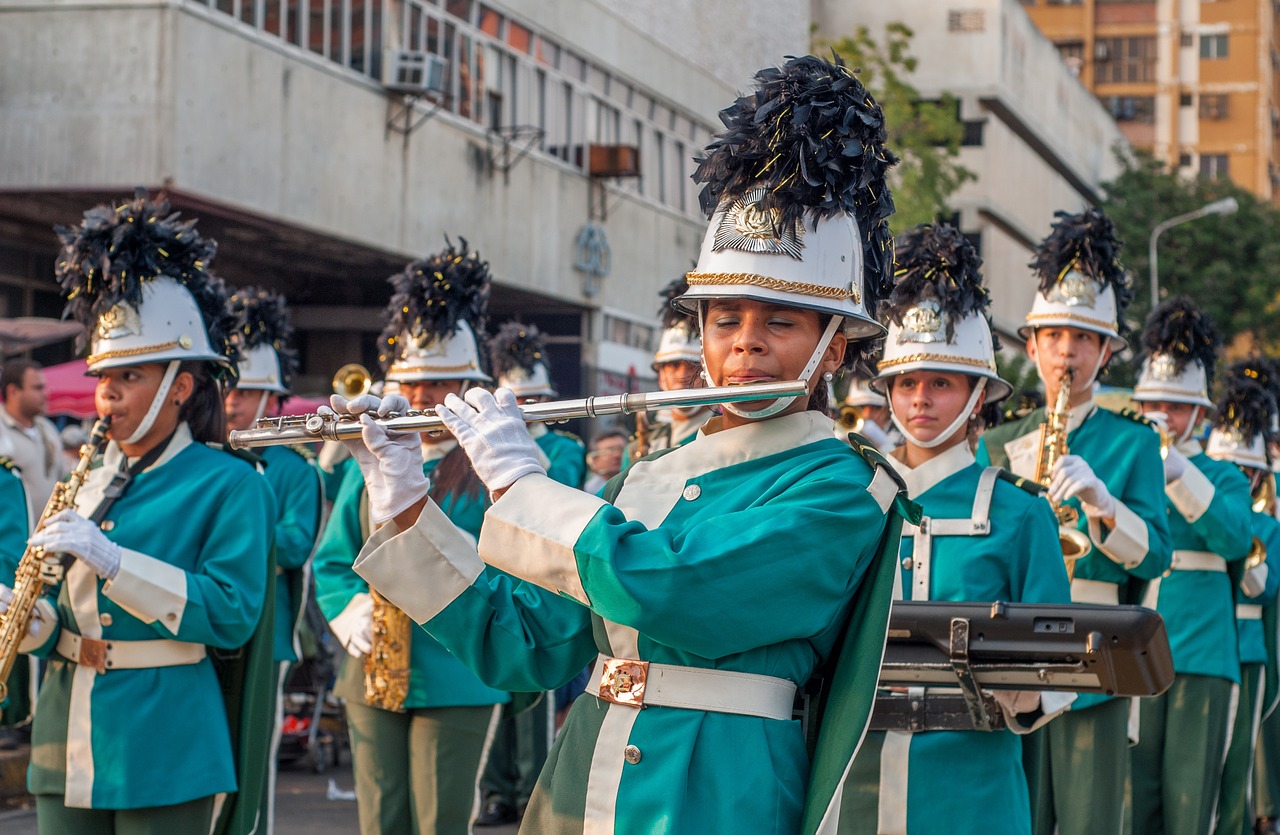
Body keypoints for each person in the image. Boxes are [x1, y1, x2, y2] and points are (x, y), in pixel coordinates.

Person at [346, 54, 915, 833]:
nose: (745, 346)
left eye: (779, 322)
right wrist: (407, 505)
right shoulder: (652, 474)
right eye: (724, 320)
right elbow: (522, 644)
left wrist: (522, 484)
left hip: (719, 798)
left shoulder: (847, 487)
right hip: (579, 784)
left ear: (835, 347)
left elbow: (682, 589)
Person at [6, 191, 275, 834]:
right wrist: (28, 618)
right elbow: (69, 617)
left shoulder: (232, 484)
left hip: (168, 742)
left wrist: (114, 561)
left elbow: (233, 615)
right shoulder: (87, 476)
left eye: (129, 377)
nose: (107, 394)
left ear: (182, 386)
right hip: (65, 736)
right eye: (105, 378)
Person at [837, 224, 1072, 835]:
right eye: (907, 383)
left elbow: (1060, 679)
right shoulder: (855, 504)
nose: (921, 400)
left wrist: (1027, 692)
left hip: (971, 789)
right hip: (853, 778)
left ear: (977, 397)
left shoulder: (1022, 515)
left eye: (941, 382)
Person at [976, 208, 1172, 835]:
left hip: (1096, 646)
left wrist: (1104, 505)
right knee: (1015, 812)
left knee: (1090, 820)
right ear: (1030, 344)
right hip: (1015, 650)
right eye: (1055, 335)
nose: (1068, 352)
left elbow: (1157, 557)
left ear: (1108, 351)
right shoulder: (1000, 438)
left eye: (1084, 338)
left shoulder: (1134, 443)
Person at [311, 239, 508, 835]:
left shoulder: (491, 467)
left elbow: (512, 564)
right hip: (374, 666)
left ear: (468, 386)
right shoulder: (363, 464)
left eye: (439, 384)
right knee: (380, 819)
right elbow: (333, 556)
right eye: (413, 386)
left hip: (456, 668)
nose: (422, 400)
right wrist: (347, 612)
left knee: (441, 819)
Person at [1128, 297, 1252, 835]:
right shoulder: (1128, 464)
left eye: (1174, 407)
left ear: (1200, 414)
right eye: (1151, 404)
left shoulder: (1221, 475)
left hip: (1200, 655)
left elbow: (1233, 539)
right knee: (1136, 803)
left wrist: (1180, 474)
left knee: (1189, 805)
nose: (1160, 417)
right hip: (1132, 649)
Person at [476, 320, 585, 826]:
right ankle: (498, 789)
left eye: (535, 398)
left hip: (540, 579)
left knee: (535, 704)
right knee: (497, 695)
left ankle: (529, 789)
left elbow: (556, 495)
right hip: (499, 572)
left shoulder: (565, 448)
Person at [225, 286, 324, 835]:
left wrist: (231, 535)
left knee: (254, 759)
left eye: (243, 392)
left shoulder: (294, 468)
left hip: (271, 627)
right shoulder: (213, 457)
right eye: (227, 391)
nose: (231, 403)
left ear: (270, 397)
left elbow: (292, 546)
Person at [1203, 372, 1280, 835]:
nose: (1237, 479)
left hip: (1247, 652)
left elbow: (1262, 589)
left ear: (1259, 476)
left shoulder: (1267, 527)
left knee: (1237, 765)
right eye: (1227, 468)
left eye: (1245, 471)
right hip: (1203, 643)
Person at [624, 277, 711, 463]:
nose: (682, 375)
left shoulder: (726, 433)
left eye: (693, 366)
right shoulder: (638, 444)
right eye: (673, 366)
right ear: (661, 376)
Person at [0, 359, 64, 526]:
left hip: (51, 538)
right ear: (13, 391)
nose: (46, 393)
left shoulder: (47, 428)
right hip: (13, 543)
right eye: (38, 388)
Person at [835, 378, 899, 453]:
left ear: (887, 410)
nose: (867, 414)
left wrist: (884, 445)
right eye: (861, 407)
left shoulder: (899, 439)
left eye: (876, 408)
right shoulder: (840, 435)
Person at [583, 429, 627, 494]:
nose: (617, 455)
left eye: (621, 449)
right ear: (595, 460)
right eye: (610, 451)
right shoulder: (590, 492)